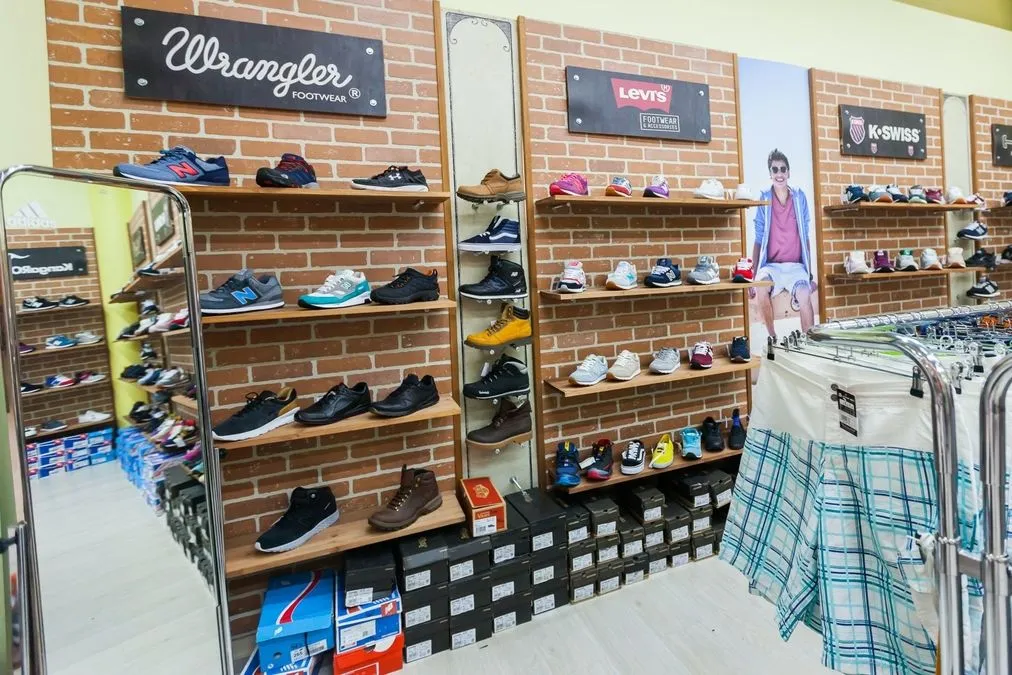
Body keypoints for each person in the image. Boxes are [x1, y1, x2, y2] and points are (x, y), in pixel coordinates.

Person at [750, 148, 816, 336]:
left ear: (788, 172)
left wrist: (809, 273)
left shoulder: (799, 197)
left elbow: (805, 236)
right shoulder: (764, 198)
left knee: (804, 294)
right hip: (772, 267)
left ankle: (809, 343)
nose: (779, 173)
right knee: (761, 286)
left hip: (796, 267)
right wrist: (753, 277)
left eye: (783, 169)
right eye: (775, 169)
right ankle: (773, 339)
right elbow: (758, 239)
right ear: (770, 174)